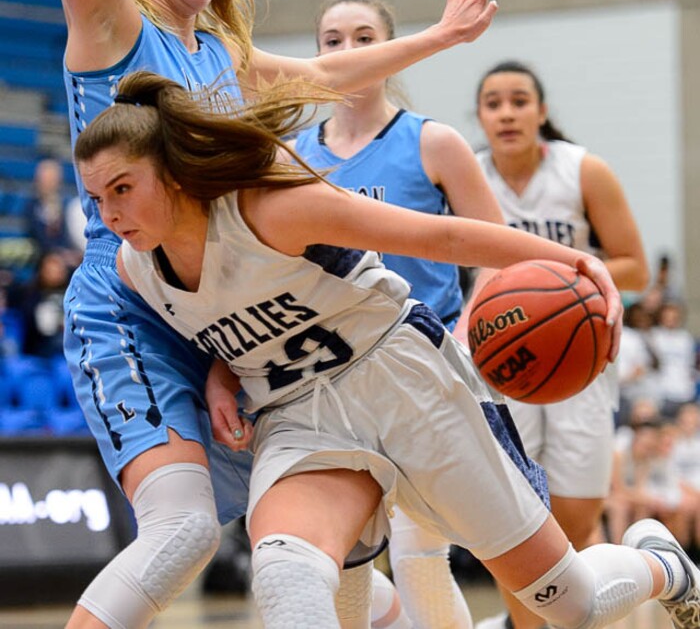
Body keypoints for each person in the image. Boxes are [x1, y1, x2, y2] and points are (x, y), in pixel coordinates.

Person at [31, 0, 508, 626]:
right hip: (133, 304)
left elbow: (322, 73)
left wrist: (440, 36)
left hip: (225, 309)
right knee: (183, 530)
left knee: (315, 537)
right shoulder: (112, 24)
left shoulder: (218, 51)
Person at [73, 69, 700, 629]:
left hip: (402, 378)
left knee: (570, 603)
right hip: (300, 417)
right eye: (97, 199)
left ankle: (664, 568)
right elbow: (221, 319)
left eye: (123, 188)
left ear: (174, 172)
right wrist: (219, 380)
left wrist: (577, 264)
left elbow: (441, 235)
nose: (109, 213)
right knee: (287, 575)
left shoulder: (272, 208)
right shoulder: (136, 269)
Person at [293, 0, 506, 628]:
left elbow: (495, 250)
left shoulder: (434, 143)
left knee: (419, 552)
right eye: (333, 40)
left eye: (364, 37)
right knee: (346, 559)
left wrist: (472, 330)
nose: (349, 51)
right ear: (316, 54)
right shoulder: (295, 154)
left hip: (424, 364)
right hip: (331, 378)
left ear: (391, 50)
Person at [453, 60, 649, 629]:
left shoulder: (583, 171)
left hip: (581, 359)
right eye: (493, 102)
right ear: (481, 117)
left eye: (519, 100)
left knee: (575, 523)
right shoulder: (465, 175)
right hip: (498, 359)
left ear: (542, 111)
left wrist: (553, 284)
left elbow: (635, 269)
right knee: (511, 521)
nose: (507, 112)